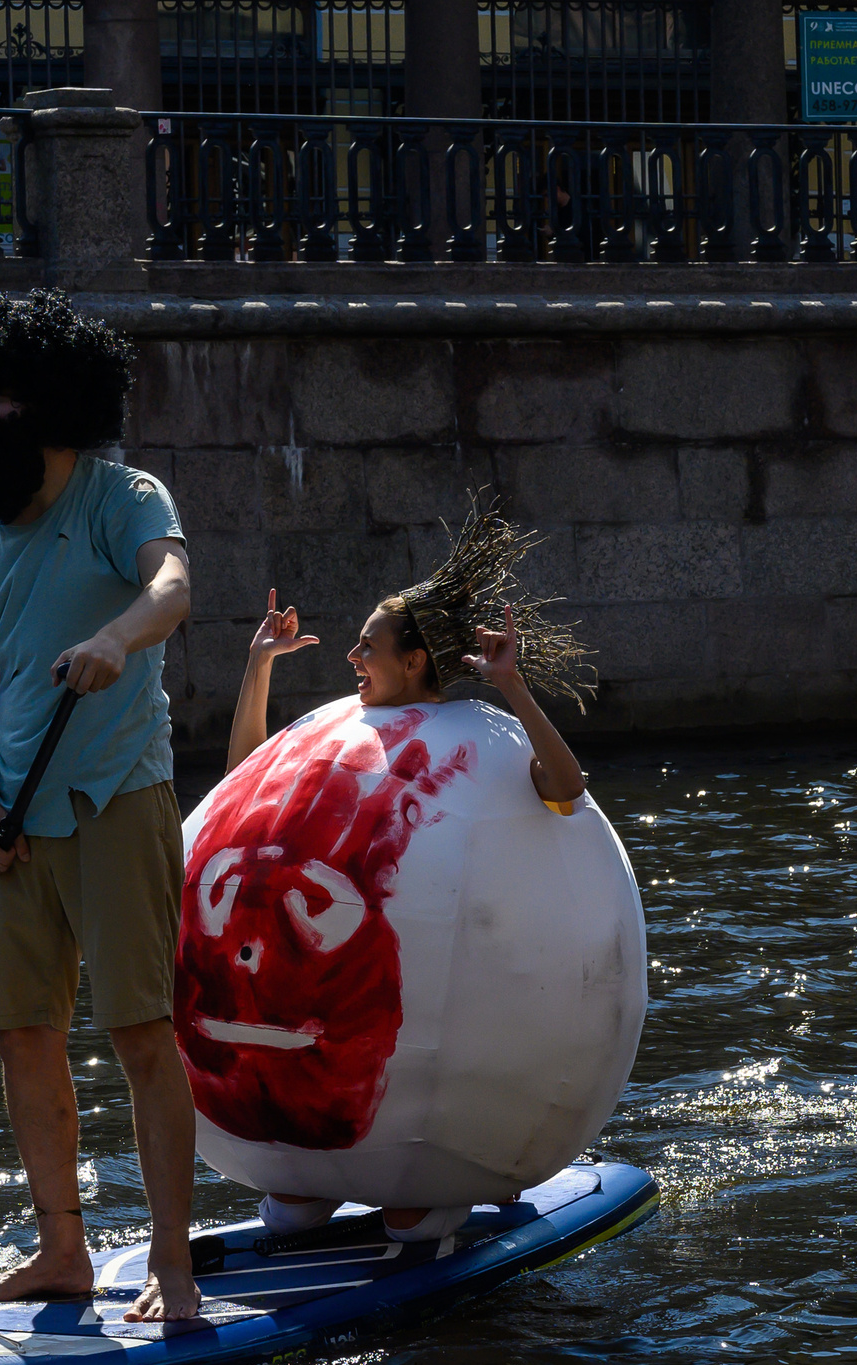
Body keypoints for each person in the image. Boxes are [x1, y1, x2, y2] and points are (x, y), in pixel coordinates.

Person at [0, 290, 202, 1324]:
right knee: (22, 1034)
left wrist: (115, 638)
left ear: (53, 405)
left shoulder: (121, 497)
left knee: (140, 1034)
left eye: (3, 396)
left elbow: (171, 585)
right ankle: (62, 1253)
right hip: (18, 822)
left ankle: (172, 1265)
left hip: (116, 797)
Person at [219, 508, 592, 1245]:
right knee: (287, 1211)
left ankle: (446, 1180)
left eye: (369, 644)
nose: (352, 654)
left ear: (416, 659)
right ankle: (327, 1172)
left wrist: (512, 686)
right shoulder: (335, 730)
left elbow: (566, 789)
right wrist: (259, 666)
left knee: (412, 1220)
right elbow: (242, 787)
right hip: (316, 1015)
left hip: (424, 1034)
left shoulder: (482, 737)